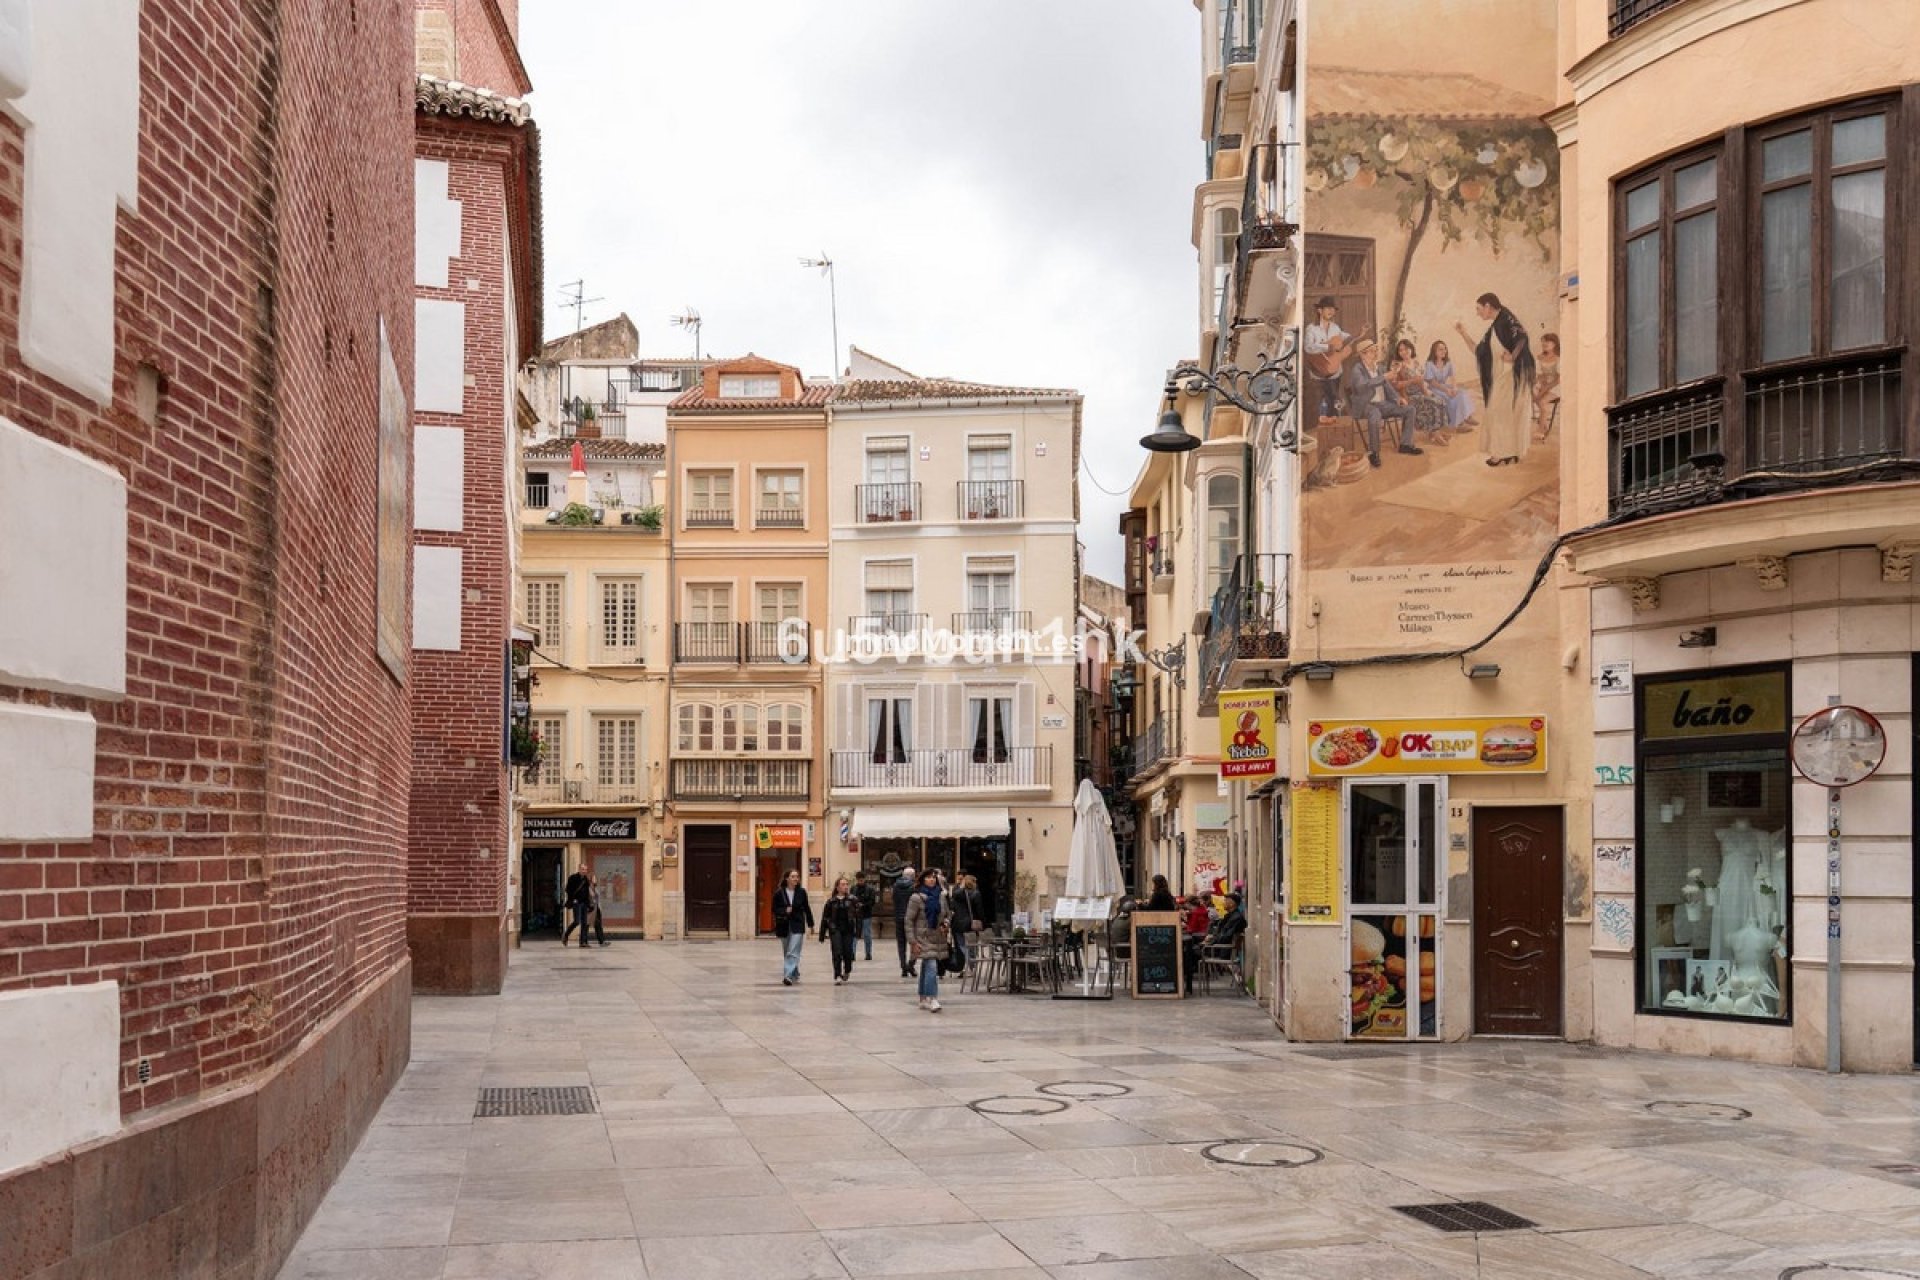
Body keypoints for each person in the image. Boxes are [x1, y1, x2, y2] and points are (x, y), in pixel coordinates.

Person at [1454, 292, 1536, 467]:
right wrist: (1463, 333)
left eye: (1478, 309)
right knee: (1503, 413)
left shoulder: (1506, 318)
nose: (1477, 313)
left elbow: (1523, 337)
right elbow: (1479, 351)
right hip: (1506, 375)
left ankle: (1502, 453)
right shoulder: (1494, 327)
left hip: (1514, 374)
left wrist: (1513, 356)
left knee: (1500, 412)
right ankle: (1509, 452)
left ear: (1488, 306)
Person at [1343, 339, 1422, 469]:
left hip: (1382, 404)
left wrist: (1397, 398)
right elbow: (1362, 386)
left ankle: (1405, 445)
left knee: (1410, 409)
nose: (1375, 353)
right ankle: (1374, 453)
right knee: (1375, 413)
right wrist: (1384, 377)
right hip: (1365, 405)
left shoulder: (1378, 367)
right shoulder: (1357, 369)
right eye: (1372, 351)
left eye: (1376, 350)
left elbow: (1387, 387)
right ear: (1363, 354)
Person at [1387, 338, 1451, 446]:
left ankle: (1434, 432)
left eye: (1406, 349)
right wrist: (1411, 381)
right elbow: (1395, 385)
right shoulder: (1397, 364)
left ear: (1411, 349)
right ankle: (1435, 434)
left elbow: (1422, 380)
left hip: (1420, 392)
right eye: (1400, 350)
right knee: (1433, 402)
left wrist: (1426, 390)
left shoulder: (1416, 362)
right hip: (1407, 396)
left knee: (1440, 401)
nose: (1404, 352)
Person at [904, 867, 950, 1012]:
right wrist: (912, 941)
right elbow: (909, 920)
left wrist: (946, 924)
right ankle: (933, 998)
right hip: (923, 937)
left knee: (926, 966)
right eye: (928, 877)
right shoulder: (916, 897)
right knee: (931, 966)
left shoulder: (941, 896)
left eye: (933, 877)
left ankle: (923, 998)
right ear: (923, 879)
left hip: (938, 937)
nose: (931, 880)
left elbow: (948, 914)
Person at [1304, 297, 1353, 422]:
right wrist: (1328, 346)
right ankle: (1324, 430)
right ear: (1320, 310)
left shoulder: (1335, 328)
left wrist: (1359, 334)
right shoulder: (1311, 328)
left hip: (1335, 370)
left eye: (1333, 309)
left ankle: (1334, 429)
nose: (1331, 311)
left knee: (1334, 400)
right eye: (1328, 308)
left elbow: (1345, 337)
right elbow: (1308, 347)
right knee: (1324, 401)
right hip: (1319, 370)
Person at [1423, 340, 1478, 429]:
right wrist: (1446, 390)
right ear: (1434, 351)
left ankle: (1467, 416)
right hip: (1434, 388)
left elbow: (1453, 377)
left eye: (1445, 349)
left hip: (1445, 386)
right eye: (1441, 349)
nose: (1444, 351)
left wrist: (1454, 387)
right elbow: (1431, 382)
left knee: (1462, 393)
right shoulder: (1429, 364)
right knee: (1451, 398)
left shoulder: (1448, 362)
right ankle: (1459, 424)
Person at [772, 869, 813, 986]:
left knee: (793, 951)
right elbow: (774, 909)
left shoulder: (801, 892)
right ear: (787, 878)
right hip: (784, 925)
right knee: (787, 951)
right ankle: (794, 972)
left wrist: (811, 923)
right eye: (793, 876)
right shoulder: (779, 893)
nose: (796, 879)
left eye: (797, 876)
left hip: (797, 924)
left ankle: (787, 976)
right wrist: (784, 910)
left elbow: (807, 908)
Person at [819, 877, 861, 984]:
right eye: (843, 884)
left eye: (847, 884)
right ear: (837, 887)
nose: (845, 886)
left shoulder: (853, 900)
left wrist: (858, 932)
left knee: (848, 952)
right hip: (835, 929)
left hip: (848, 929)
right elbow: (825, 917)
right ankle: (837, 974)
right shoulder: (831, 901)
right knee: (837, 952)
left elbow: (858, 916)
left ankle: (847, 970)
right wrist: (822, 934)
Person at [947, 873, 984, 975]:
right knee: (972, 945)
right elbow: (979, 910)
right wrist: (982, 921)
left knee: (962, 945)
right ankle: (972, 966)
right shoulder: (976, 894)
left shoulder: (956, 894)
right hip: (970, 924)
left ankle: (969, 966)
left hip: (957, 924)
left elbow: (952, 907)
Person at [1532, 332, 1561, 438]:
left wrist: (1543, 392)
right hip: (1544, 384)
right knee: (1532, 394)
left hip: (1556, 386)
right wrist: (1540, 388)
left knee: (1542, 401)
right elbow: (1540, 376)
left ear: (1554, 344)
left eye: (1547, 342)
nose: (1544, 344)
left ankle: (1541, 430)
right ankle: (1544, 424)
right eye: (1543, 342)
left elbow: (1558, 380)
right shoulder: (1540, 358)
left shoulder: (1558, 358)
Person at [892, 866, 917, 978]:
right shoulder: (913, 887)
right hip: (911, 918)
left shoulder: (895, 886)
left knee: (901, 943)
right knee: (914, 942)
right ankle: (911, 964)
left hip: (898, 917)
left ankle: (903, 967)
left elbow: (894, 900)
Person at [851, 872, 879, 962]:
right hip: (855, 915)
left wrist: (863, 905)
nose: (860, 881)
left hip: (866, 915)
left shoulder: (870, 889)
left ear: (865, 879)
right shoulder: (853, 889)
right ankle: (852, 954)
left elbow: (872, 901)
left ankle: (868, 953)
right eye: (859, 880)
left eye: (862, 879)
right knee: (854, 934)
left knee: (867, 935)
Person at [562, 866, 591, 948]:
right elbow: (568, 889)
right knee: (577, 921)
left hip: (584, 903)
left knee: (585, 923)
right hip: (577, 902)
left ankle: (583, 942)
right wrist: (573, 899)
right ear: (579, 869)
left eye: (585, 869)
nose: (584, 871)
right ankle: (566, 935)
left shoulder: (586, 880)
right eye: (583, 869)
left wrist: (588, 904)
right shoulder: (573, 878)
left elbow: (587, 893)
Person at [588, 872, 608, 947]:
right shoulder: (588, 888)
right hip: (592, 909)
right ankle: (584, 941)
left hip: (597, 909)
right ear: (590, 879)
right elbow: (591, 898)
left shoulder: (595, 888)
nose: (595, 879)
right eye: (594, 878)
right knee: (588, 925)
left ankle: (602, 941)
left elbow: (598, 898)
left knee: (598, 925)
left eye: (595, 878)